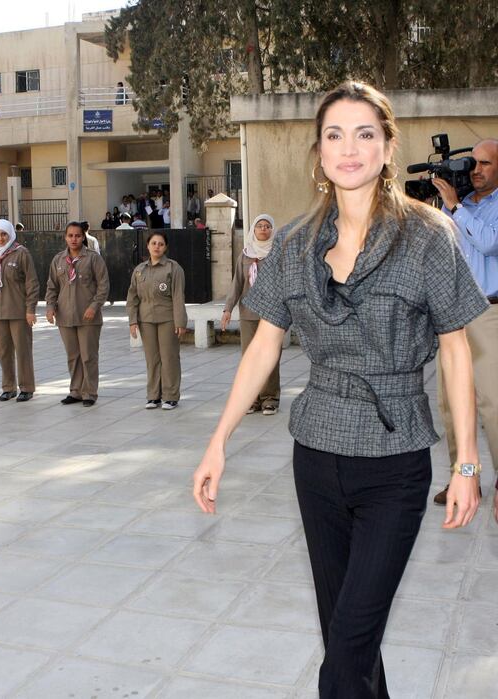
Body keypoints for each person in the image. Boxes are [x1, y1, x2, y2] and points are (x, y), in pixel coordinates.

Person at [193, 82, 488, 697]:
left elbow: (457, 349)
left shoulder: (428, 236)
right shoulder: (297, 243)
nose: (348, 149)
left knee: (344, 657)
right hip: (317, 460)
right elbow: (264, 344)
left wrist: (466, 462)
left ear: (386, 149)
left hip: (395, 461)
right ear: (319, 153)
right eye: (334, 135)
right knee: (347, 642)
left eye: (364, 134)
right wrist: (218, 440)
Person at [430, 138, 498, 514]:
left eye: (486, 163)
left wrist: (455, 206)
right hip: (453, 314)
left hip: (490, 313)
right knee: (451, 402)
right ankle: (462, 473)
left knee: (494, 403)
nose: (476, 170)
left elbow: (490, 244)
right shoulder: (454, 208)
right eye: (474, 163)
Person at [220, 214, 281, 415]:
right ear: (253, 231)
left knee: (269, 357)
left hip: (271, 315)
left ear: (272, 230)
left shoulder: (278, 254)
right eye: (260, 226)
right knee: (250, 357)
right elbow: (236, 284)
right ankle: (252, 399)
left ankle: (270, 398)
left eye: (267, 226)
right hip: (248, 314)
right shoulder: (245, 255)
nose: (263, 229)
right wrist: (227, 309)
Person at [46, 221, 109, 406]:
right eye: (70, 235)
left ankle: (89, 392)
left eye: (78, 235)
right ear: (65, 237)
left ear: (83, 237)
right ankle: (75, 391)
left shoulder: (93, 258)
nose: (74, 239)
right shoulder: (58, 260)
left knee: (88, 355)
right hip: (65, 316)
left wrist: (94, 306)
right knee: (73, 356)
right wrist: (50, 307)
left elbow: (103, 285)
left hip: (88, 315)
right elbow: (52, 286)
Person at [127, 231, 187, 410]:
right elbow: (132, 296)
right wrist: (132, 320)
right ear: (148, 246)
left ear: (166, 247)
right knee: (152, 359)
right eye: (153, 243)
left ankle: (170, 396)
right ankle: (153, 396)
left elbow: (178, 297)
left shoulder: (173, 268)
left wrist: (180, 323)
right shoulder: (139, 270)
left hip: (167, 318)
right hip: (146, 320)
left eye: (161, 244)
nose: (157, 247)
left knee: (169, 358)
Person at [0, 219, 39, 402]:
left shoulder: (21, 253)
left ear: (10, 235)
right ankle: (8, 387)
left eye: (4, 234)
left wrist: (30, 309)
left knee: (22, 350)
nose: (0, 238)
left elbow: (32, 283)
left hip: (19, 312)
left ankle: (27, 387)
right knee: (3, 351)